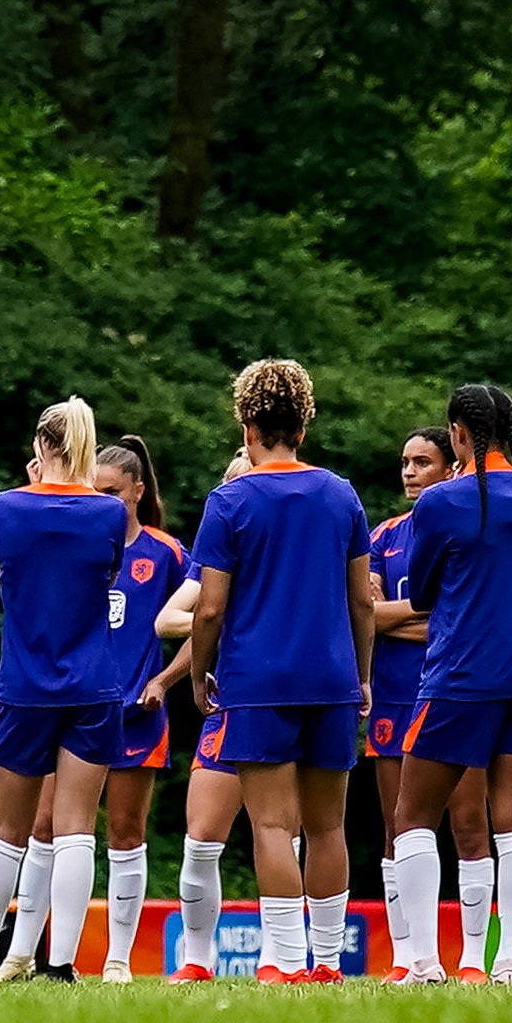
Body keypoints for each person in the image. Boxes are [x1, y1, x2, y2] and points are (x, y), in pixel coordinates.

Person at [176, 355, 381, 986]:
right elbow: (362, 601)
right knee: (328, 826)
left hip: (258, 680)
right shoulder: (340, 492)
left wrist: (197, 674)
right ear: (303, 423)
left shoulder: (231, 498)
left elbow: (208, 608)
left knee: (271, 824)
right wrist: (364, 675)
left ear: (247, 426)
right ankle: (326, 965)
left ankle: (287, 963)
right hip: (332, 678)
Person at [392, 385, 512, 984]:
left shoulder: (441, 502)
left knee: (412, 817)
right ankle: (509, 962)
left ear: (459, 434)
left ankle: (424, 964)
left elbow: (419, 593)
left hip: (461, 674)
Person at [0, 396, 139, 978]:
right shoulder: (107, 514)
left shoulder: (4, 506)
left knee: (7, 830)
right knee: (77, 828)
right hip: (95, 684)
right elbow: (107, 573)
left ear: (40, 446)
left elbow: (4, 575)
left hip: (25, 684)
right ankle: (63, 963)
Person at [85, 439, 188, 979]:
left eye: (113, 493)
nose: (103, 501)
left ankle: (118, 959)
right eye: (94, 490)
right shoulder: (75, 542)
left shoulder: (165, 553)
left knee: (125, 834)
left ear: (138, 492)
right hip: (74, 709)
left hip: (135, 715)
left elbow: (212, 616)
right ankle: (48, 955)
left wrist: (166, 679)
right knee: (51, 830)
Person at [360, 426, 443, 964]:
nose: (410, 471)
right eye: (405, 462)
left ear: (450, 467)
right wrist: (418, 616)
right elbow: (362, 615)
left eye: (423, 462)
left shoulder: (457, 528)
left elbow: (454, 624)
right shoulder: (383, 535)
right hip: (390, 691)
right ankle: (406, 955)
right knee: (397, 825)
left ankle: (475, 957)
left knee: (464, 825)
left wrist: (390, 617)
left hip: (447, 688)